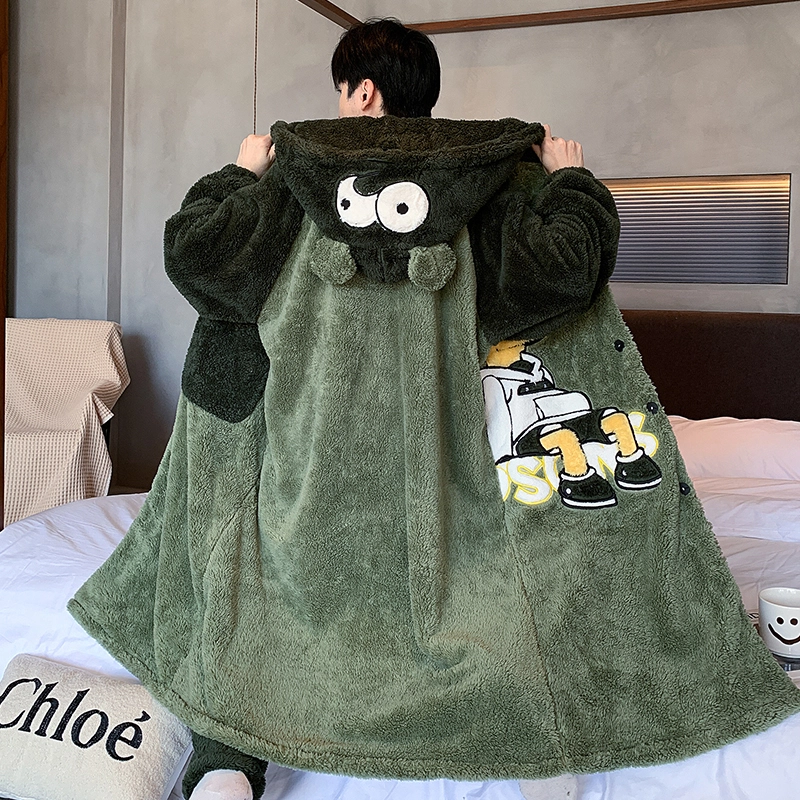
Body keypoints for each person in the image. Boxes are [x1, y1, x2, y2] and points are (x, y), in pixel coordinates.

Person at [69, 17, 800, 800]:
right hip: (451, 480)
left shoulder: (288, 178)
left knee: (246, 570)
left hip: (302, 472)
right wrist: (571, 182)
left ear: (363, 92)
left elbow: (198, 256)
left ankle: (231, 760)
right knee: (509, 574)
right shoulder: (489, 183)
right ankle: (530, 745)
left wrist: (238, 174)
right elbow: (565, 273)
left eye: (342, 90)